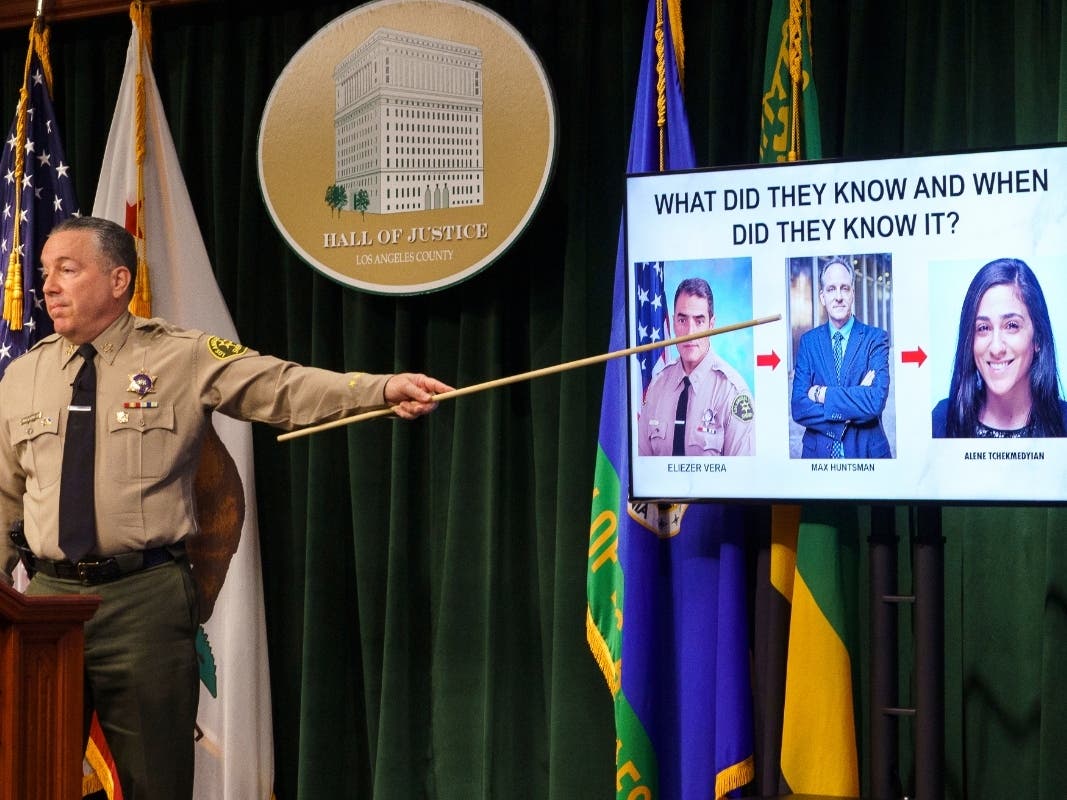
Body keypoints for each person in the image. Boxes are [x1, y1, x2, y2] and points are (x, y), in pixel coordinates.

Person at [0, 216, 453, 800]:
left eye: (67, 269)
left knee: (156, 781)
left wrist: (379, 389)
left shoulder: (181, 356)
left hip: (143, 601)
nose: (48, 286)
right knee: (28, 774)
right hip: (47, 607)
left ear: (118, 280)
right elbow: (6, 493)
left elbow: (281, 386)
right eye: (44, 273)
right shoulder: (24, 373)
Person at [932, 257, 1067, 438]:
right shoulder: (942, 420)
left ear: (1038, 339)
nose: (996, 348)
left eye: (1011, 326)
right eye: (983, 328)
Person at [637, 277, 754, 456]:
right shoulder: (657, 386)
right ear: (674, 322)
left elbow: (742, 478)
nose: (690, 333)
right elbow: (642, 466)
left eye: (699, 321)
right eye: (682, 321)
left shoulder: (732, 392)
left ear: (712, 325)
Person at [791, 258, 892, 458]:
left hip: (867, 456)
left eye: (844, 288)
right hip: (818, 458)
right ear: (822, 297)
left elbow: (875, 401)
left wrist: (821, 394)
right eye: (831, 289)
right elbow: (799, 406)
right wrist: (850, 411)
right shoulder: (809, 343)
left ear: (853, 293)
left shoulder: (876, 339)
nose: (838, 297)